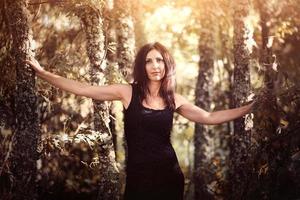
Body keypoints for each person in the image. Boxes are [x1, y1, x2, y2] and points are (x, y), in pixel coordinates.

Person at [26, 42, 253, 200]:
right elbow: (85, 89)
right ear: (142, 67)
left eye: (159, 60)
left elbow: (209, 117)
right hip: (138, 178)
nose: (155, 66)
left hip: (169, 176)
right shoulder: (127, 92)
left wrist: (251, 107)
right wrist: (43, 73)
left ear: (167, 64)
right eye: (149, 61)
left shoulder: (174, 99)